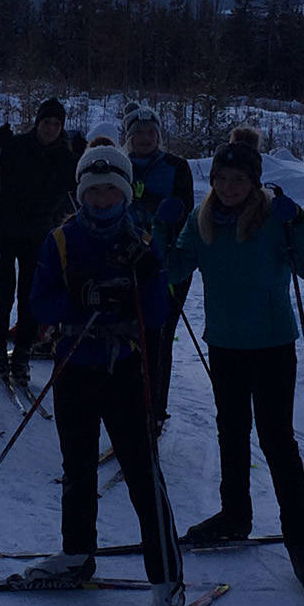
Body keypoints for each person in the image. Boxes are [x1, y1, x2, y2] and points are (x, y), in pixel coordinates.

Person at [167, 127, 304, 588]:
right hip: (225, 345)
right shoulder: (200, 222)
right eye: (221, 179)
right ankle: (234, 515)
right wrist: (162, 231)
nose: (228, 188)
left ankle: (302, 538)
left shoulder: (274, 219)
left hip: (273, 345)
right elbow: (172, 269)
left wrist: (300, 220)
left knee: (278, 440)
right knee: (231, 433)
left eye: (239, 180)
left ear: (255, 182)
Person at [27, 145, 183, 606]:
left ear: (124, 190)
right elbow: (38, 304)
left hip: (125, 370)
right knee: (77, 466)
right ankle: (77, 553)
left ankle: (167, 581)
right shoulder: (61, 240)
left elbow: (158, 313)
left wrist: (147, 274)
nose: (101, 198)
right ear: (81, 192)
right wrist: (81, 299)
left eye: (110, 188)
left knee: (141, 473)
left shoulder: (141, 238)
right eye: (93, 190)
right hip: (74, 365)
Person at [0, 98, 81, 382]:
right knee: (3, 289)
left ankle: (21, 354)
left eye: (56, 124)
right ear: (37, 122)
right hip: (4, 229)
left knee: (31, 293)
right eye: (46, 123)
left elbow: (82, 190)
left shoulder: (65, 157)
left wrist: (83, 159)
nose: (50, 129)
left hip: (40, 234)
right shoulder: (15, 145)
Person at [122, 104, 195, 428]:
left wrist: (158, 209)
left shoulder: (175, 166)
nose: (145, 138)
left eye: (151, 133)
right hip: (124, 261)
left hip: (166, 263)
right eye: (138, 132)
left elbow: (186, 211)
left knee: (160, 336)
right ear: (129, 136)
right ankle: (127, 402)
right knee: (127, 333)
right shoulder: (120, 165)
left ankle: (154, 411)